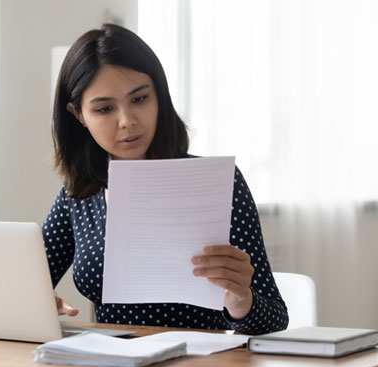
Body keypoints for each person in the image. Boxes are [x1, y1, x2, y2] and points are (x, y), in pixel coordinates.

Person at [43, 23, 288, 335]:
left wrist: (241, 300)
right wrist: (38, 303)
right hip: (112, 363)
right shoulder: (78, 195)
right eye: (104, 108)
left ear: (159, 96)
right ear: (78, 114)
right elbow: (25, 284)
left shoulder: (214, 184)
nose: (127, 121)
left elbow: (275, 320)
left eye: (140, 99)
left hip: (201, 363)